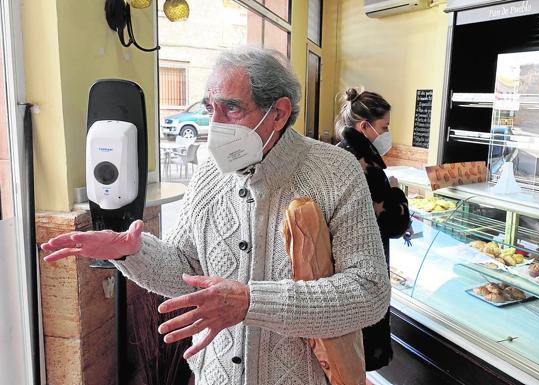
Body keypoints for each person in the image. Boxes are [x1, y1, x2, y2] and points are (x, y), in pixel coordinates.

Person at [41, 48, 390, 385]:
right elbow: (183, 270)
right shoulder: (210, 174)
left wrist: (251, 302)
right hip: (216, 376)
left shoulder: (336, 172)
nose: (215, 124)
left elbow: (369, 292)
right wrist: (130, 252)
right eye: (210, 108)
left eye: (232, 109)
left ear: (279, 113)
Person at [336, 88, 410, 371]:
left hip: (342, 269)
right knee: (361, 351)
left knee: (344, 352)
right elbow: (394, 224)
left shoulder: (338, 154)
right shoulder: (367, 165)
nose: (388, 133)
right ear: (364, 126)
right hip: (365, 268)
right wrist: (397, 193)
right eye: (385, 127)